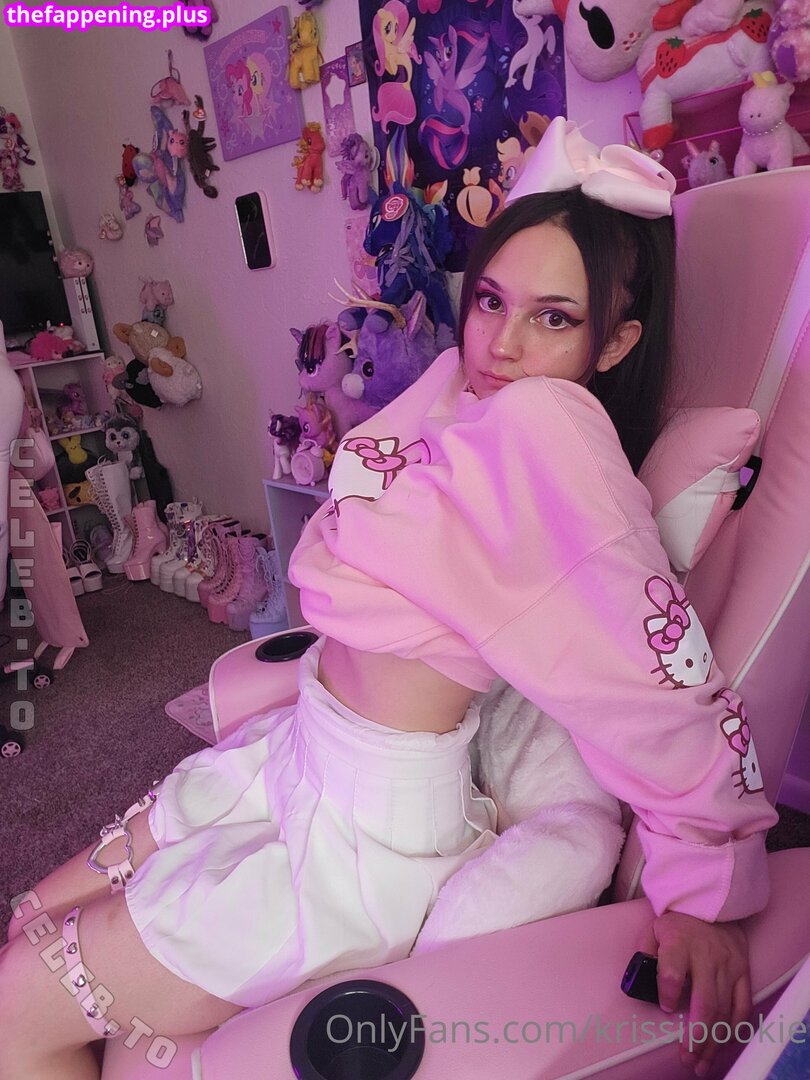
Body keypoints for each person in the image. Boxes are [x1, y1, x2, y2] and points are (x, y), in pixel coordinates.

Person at [0, 119, 778, 1080]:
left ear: (615, 342)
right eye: (490, 300)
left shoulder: (552, 434)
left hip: (362, 837)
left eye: (554, 319)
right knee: (30, 922)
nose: (501, 343)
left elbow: (656, 675)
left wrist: (706, 886)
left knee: (17, 1005)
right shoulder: (466, 392)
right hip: (290, 756)